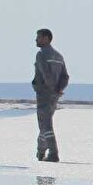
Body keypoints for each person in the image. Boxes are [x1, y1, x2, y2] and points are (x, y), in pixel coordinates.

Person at [32, 29, 70, 162]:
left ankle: (53, 153)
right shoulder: (59, 56)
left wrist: (52, 89)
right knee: (44, 123)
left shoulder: (41, 54)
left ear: (46, 38)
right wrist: (59, 89)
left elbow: (45, 73)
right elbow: (65, 77)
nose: (36, 40)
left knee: (45, 124)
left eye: (39, 37)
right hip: (54, 95)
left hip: (44, 94)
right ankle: (40, 151)